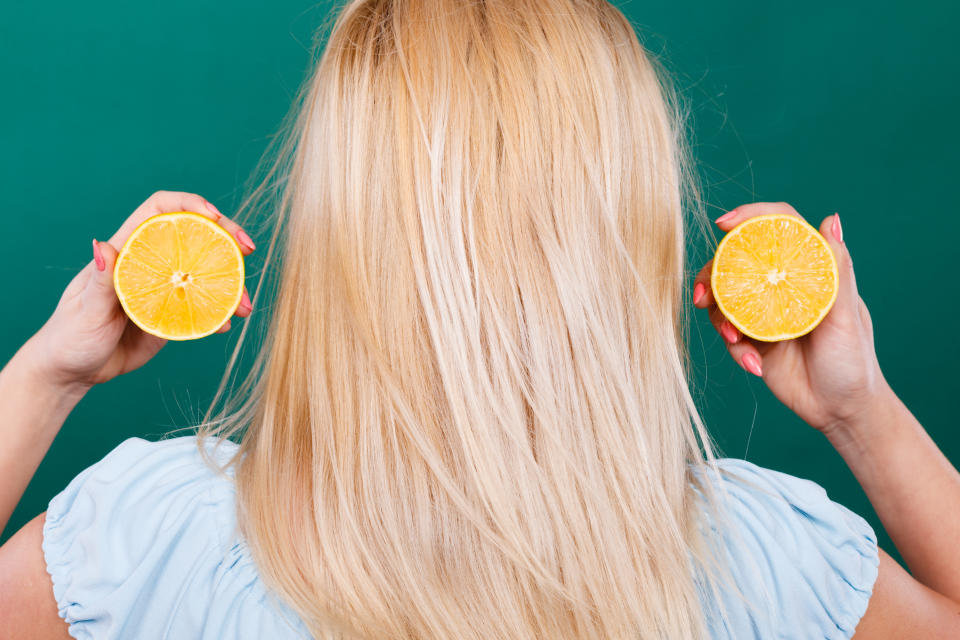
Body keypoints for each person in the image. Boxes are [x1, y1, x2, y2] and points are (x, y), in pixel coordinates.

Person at [1, 1, 959, 638]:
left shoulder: (151, 540)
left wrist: (48, 375)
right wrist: (857, 410)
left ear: (344, 228)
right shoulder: (760, 558)